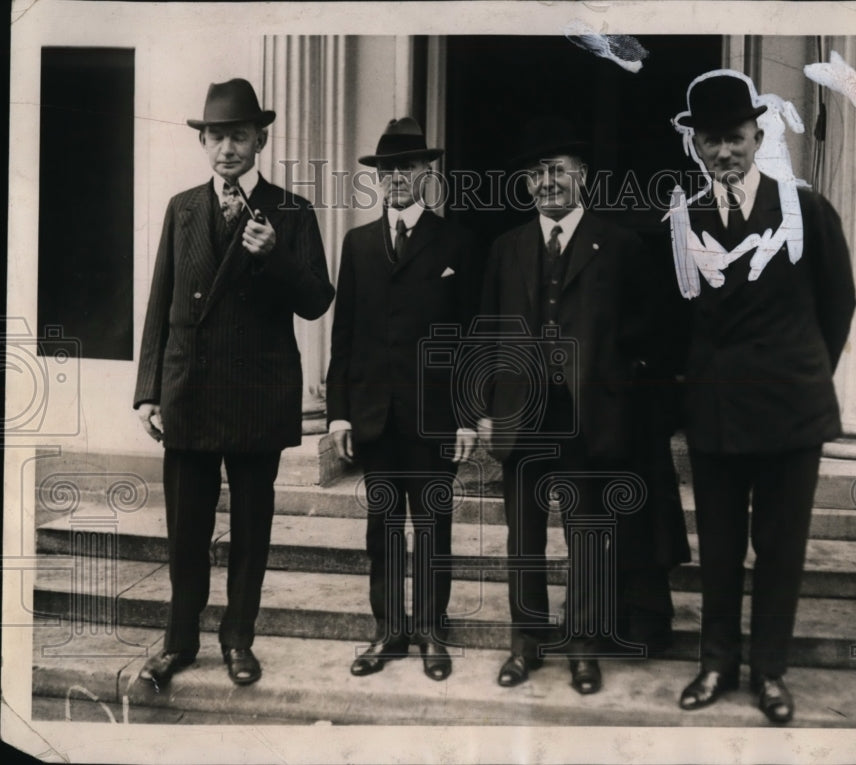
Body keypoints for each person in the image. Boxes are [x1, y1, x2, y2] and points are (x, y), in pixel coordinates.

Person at [133, 78, 335, 688]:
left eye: (239, 136)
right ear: (204, 142)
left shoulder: (291, 213)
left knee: (251, 529)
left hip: (256, 395)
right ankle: (180, 642)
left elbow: (318, 301)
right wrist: (147, 389)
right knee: (186, 531)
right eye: (216, 136)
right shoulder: (183, 208)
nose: (227, 148)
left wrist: (274, 255)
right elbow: (160, 300)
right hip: (189, 390)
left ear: (261, 140)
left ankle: (238, 639)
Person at [668, 71, 856, 723]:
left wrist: (802, 375)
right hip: (716, 418)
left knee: (780, 550)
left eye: (736, 138)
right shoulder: (683, 222)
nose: (725, 152)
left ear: (757, 136)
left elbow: (839, 302)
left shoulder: (805, 208)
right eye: (712, 141)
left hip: (790, 414)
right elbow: (674, 322)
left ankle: (770, 671)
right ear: (695, 147)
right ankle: (716, 662)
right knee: (719, 549)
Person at [477, 117, 676, 695]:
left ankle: (583, 647)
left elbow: (645, 335)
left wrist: (616, 389)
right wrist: (487, 407)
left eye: (558, 171)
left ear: (582, 178)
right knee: (524, 538)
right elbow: (487, 333)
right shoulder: (506, 248)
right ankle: (526, 642)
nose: (547, 183)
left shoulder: (621, 245)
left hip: (589, 418)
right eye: (537, 174)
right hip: (522, 416)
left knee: (588, 534)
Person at [325, 117, 482, 681]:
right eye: (387, 169)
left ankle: (432, 632)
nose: (396, 177)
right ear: (378, 177)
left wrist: (468, 417)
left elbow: (472, 337)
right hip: (374, 414)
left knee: (434, 526)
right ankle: (390, 629)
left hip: (436, 416)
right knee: (384, 527)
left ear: (426, 173)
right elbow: (344, 334)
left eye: (407, 167)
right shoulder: (359, 243)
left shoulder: (457, 242)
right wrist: (338, 411)